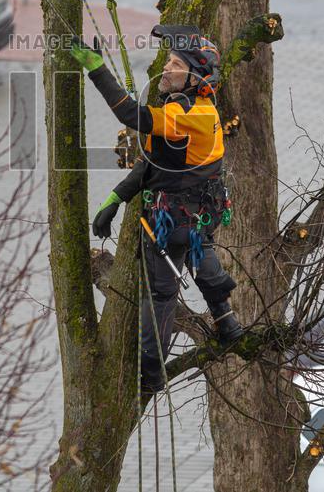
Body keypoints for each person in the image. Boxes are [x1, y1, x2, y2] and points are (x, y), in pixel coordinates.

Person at [69, 25, 244, 394]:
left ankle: (150, 374)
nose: (165, 69)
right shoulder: (183, 108)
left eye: (175, 63)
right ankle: (227, 322)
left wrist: (97, 69)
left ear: (195, 76)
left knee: (160, 295)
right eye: (167, 60)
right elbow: (152, 163)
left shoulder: (192, 114)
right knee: (201, 260)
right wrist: (115, 199)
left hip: (173, 222)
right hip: (192, 218)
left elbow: (131, 115)